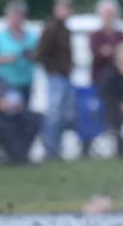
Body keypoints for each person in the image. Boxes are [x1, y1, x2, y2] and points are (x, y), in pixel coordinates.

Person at [36, 0, 75, 161]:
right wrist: (52, 69)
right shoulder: (51, 28)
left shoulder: (65, 29)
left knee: (62, 114)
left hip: (64, 75)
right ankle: (50, 148)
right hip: (56, 76)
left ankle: (56, 147)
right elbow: (41, 53)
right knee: (54, 114)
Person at [0, 0, 38, 106]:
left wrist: (31, 56)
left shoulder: (32, 37)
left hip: (26, 83)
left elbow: (40, 56)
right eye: (14, 15)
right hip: (6, 83)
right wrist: (6, 59)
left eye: (19, 15)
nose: (17, 19)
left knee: (24, 112)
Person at [90, 0, 123, 87]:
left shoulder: (122, 36)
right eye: (106, 14)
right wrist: (117, 52)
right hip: (99, 79)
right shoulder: (95, 36)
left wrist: (112, 52)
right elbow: (97, 53)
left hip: (120, 81)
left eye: (111, 14)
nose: (108, 17)